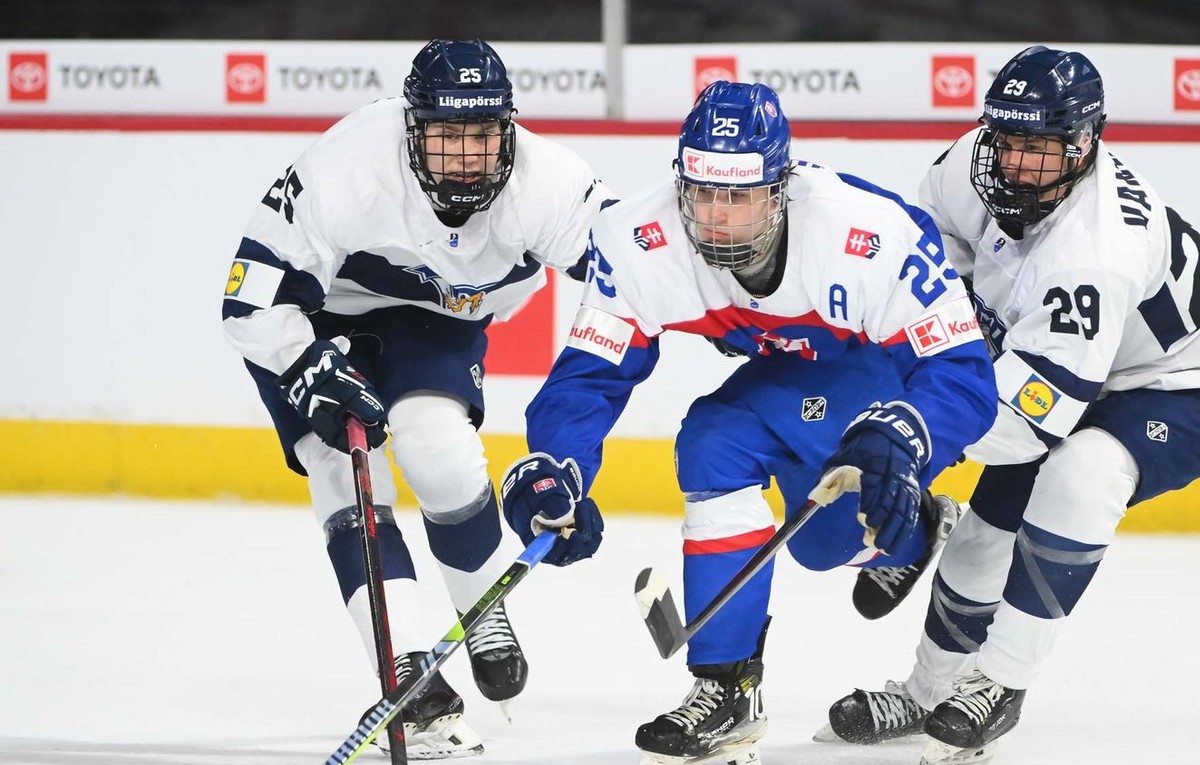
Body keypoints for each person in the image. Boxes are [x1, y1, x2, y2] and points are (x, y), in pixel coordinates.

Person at [497, 80, 998, 765]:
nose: (718, 218)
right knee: (756, 483)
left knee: (786, 495)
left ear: (781, 187)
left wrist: (909, 435)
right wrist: (558, 465)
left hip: (881, 372)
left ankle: (908, 524)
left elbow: (966, 374)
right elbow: (590, 374)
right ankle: (731, 683)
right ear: (682, 182)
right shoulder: (635, 240)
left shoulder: (870, 232)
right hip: (793, 374)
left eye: (741, 196)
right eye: (703, 193)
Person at [818, 46, 1200, 764]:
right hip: (1078, 360)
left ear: (1085, 144)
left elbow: (1030, 423)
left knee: (1080, 475)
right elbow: (925, 261)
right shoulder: (973, 159)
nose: (1012, 163)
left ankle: (1000, 682)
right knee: (979, 539)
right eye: (1005, 139)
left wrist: (913, 444)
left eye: (1038, 148)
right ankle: (927, 691)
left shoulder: (1093, 251)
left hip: (1197, 379)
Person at [220, 39, 611, 758]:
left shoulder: (550, 182)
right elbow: (247, 298)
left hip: (438, 314)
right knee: (341, 474)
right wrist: (303, 363)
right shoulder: (345, 168)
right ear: (411, 129)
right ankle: (405, 670)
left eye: (482, 135)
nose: (465, 155)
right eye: (445, 135)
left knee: (436, 447)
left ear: (509, 129)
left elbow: (636, 288)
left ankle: (481, 607)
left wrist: (574, 456)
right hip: (312, 318)